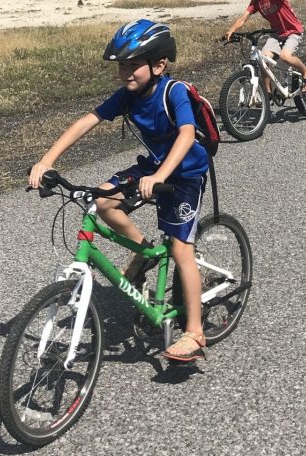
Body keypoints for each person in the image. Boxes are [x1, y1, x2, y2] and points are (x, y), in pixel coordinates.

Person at [28, 18, 209, 363]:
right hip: (152, 167)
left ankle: (195, 332)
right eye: (121, 66)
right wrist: (47, 160)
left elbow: (186, 134)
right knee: (102, 202)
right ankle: (142, 252)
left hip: (184, 174)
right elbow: (87, 120)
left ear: (158, 65)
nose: (125, 73)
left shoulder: (175, 92)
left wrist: (160, 177)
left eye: (133, 65)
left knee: (182, 248)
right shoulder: (127, 96)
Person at [224, 0, 306, 92]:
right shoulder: (257, 1)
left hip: (292, 31)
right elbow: (243, 17)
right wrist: (231, 30)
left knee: (285, 56)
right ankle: (268, 93)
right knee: (263, 60)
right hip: (277, 34)